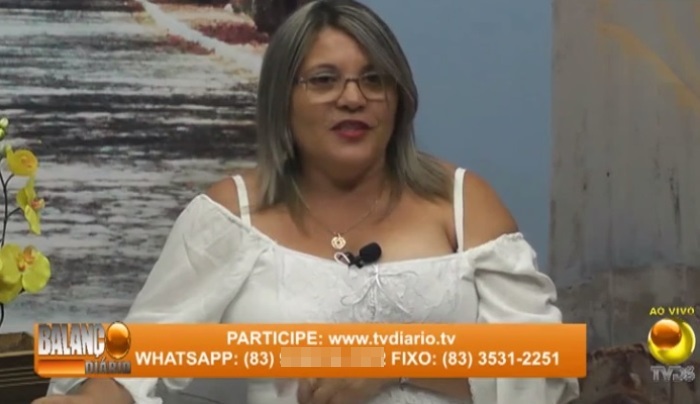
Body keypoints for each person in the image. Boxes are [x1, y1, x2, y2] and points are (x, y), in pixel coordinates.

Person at [35, 0, 580, 403]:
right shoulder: (229, 212)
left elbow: (550, 368)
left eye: (374, 80)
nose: (353, 98)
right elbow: (137, 348)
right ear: (283, 99)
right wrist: (89, 396)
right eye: (324, 80)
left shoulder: (462, 201)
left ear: (398, 100)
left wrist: (389, 362)